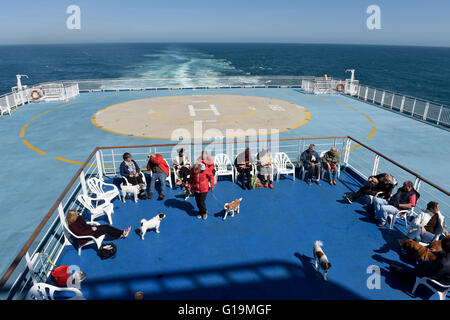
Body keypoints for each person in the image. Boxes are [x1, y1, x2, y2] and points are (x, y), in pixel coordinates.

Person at [66, 209, 130, 246]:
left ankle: (121, 233)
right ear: (73, 216)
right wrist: (92, 230)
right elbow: (80, 234)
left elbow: (84, 225)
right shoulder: (72, 226)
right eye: (76, 214)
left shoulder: (76, 219)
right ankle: (122, 233)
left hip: (89, 231)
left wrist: (91, 227)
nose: (78, 215)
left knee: (107, 226)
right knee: (107, 229)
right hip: (86, 237)